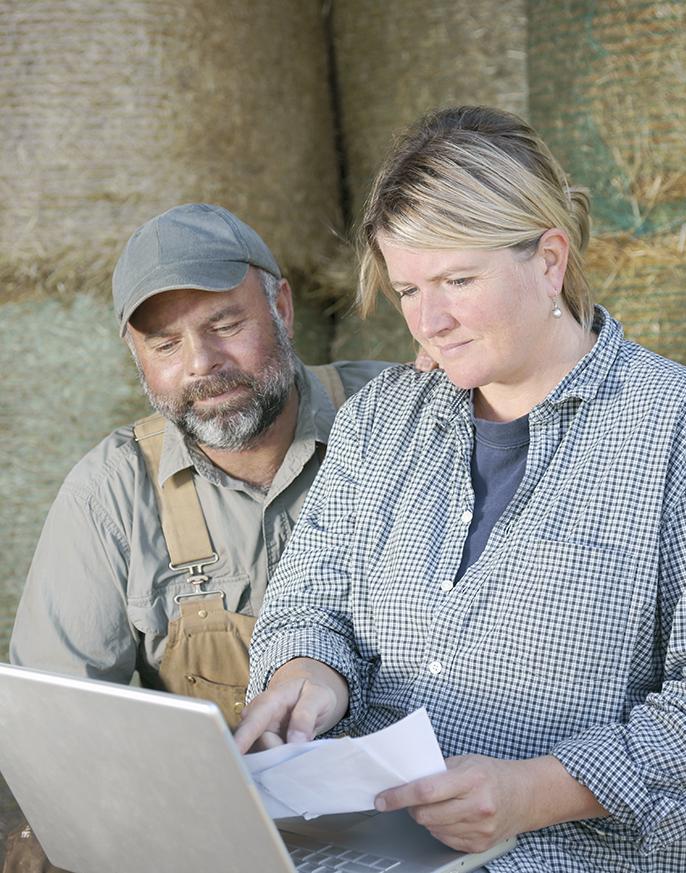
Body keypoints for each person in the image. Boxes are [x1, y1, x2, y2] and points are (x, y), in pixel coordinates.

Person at [235, 107, 686, 872]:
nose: (429, 320)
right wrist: (310, 675)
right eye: (407, 289)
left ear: (549, 261)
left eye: (457, 280)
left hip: (585, 855)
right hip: (370, 845)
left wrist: (538, 790)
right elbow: (310, 603)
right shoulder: (381, 422)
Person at [5, 203, 399, 872]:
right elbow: (57, 737)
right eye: (165, 343)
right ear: (134, 353)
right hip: (213, 845)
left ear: (282, 304)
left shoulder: (398, 420)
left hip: (410, 819)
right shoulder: (111, 494)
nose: (202, 364)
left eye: (225, 323)